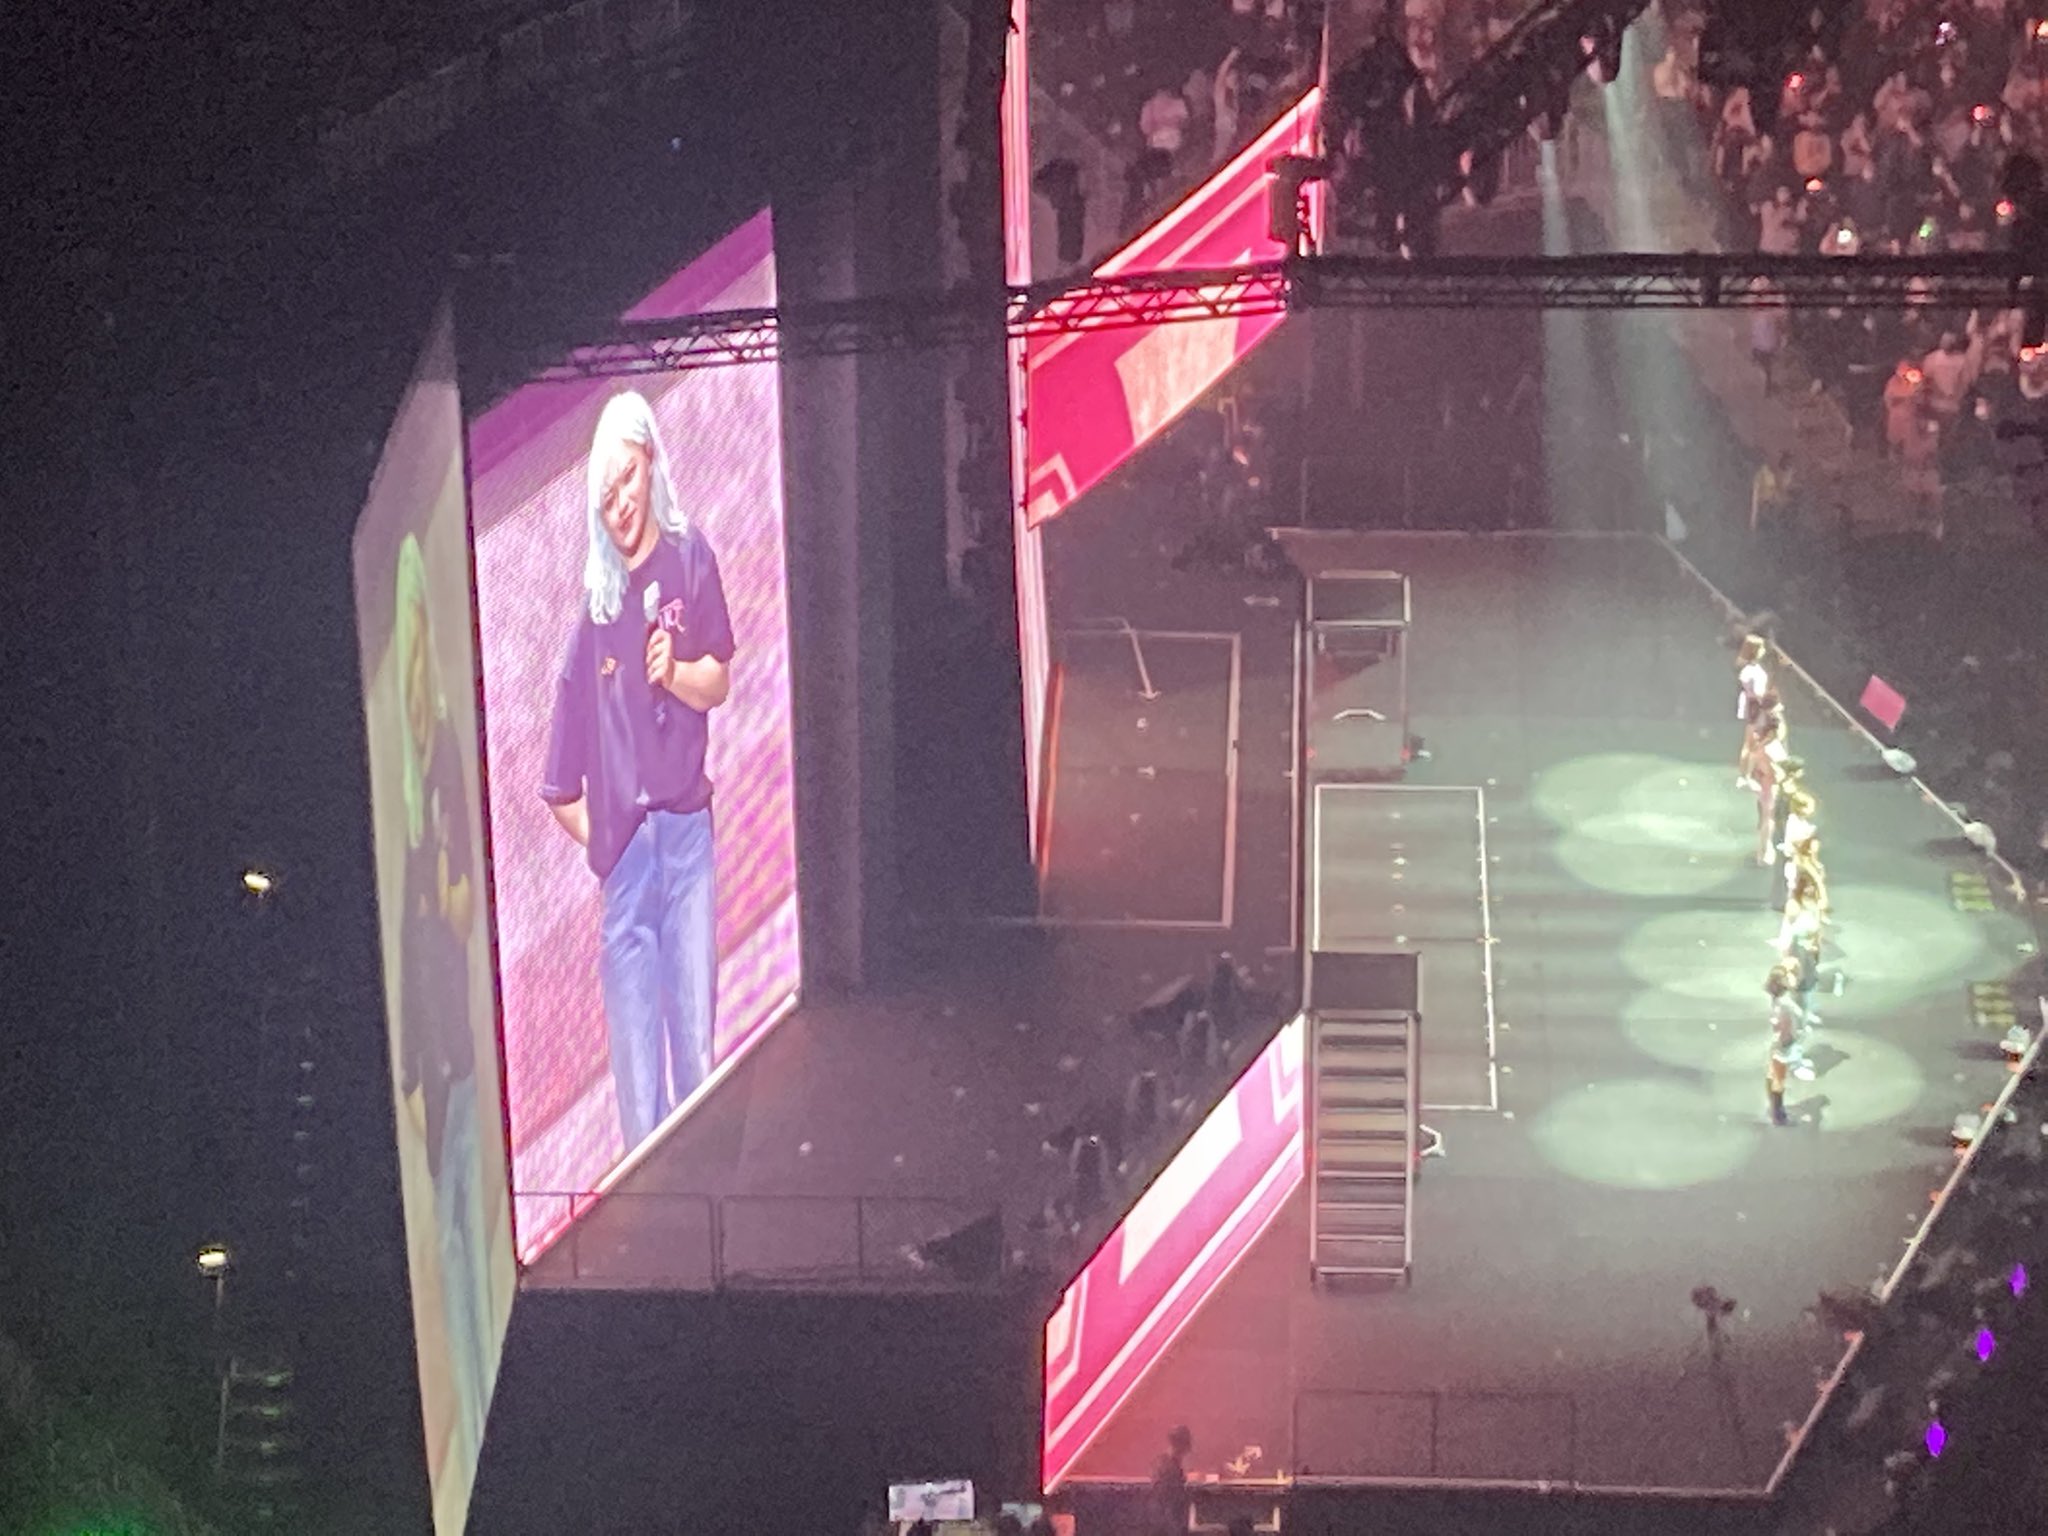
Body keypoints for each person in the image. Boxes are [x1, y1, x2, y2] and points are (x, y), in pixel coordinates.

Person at [543, 390, 736, 1152]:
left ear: (650, 461)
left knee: (696, 1062)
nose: (620, 501)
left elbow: (718, 681)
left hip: (687, 842)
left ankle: (707, 1204)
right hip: (628, 870)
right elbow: (558, 787)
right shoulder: (593, 618)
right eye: (606, 493)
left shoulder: (691, 558)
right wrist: (609, 842)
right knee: (639, 1103)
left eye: (626, 478)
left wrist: (675, 674)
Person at [392, 533, 492, 1465]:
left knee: (468, 1253)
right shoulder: (409, 783)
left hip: (457, 1055)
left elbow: (459, 911)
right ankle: (475, 1428)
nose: (419, 667)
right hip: (434, 1068)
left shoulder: (445, 762)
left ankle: (486, 1417)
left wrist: (436, 881)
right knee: (452, 1248)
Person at [1150, 1425, 1193, 1536]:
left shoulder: (1162, 1462)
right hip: (1170, 1522)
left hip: (1165, 1520)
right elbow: (1172, 1498)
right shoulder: (1169, 1467)